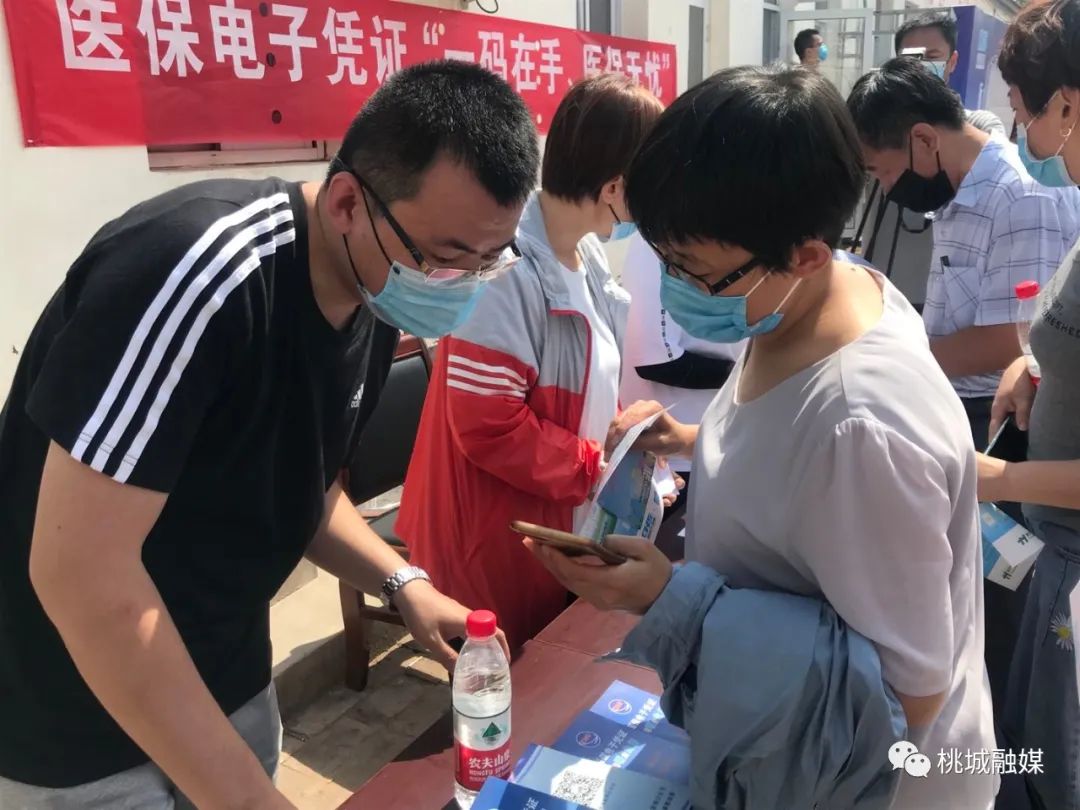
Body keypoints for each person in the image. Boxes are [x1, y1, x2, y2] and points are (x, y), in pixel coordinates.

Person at [0, 60, 538, 808]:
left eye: (490, 261)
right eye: (446, 258)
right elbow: (80, 575)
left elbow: (302, 488)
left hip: (227, 679)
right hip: (83, 723)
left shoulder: (375, 293)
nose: (465, 285)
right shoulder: (195, 271)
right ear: (349, 201)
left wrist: (401, 581)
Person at [530, 65, 996, 810]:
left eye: (698, 273)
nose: (679, 291)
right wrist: (688, 437)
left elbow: (906, 693)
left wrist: (672, 599)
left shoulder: (863, 426)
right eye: (664, 260)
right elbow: (783, 456)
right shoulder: (816, 293)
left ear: (806, 254)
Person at [849, 54, 1080, 726]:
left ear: (923, 138)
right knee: (970, 602)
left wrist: (898, 360)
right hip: (968, 412)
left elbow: (1012, 338)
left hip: (998, 428)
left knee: (1005, 611)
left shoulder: (1018, 200)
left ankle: (1003, 755)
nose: (888, 190)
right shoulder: (960, 182)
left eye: (885, 172)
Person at [396, 74, 663, 651]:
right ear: (616, 186)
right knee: (506, 681)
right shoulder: (507, 267)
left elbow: (588, 375)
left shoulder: (586, 252)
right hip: (490, 531)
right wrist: (596, 465)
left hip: (552, 513)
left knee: (548, 663)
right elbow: (487, 425)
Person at [974, 2, 1080, 807]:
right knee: (1028, 760)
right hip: (1050, 558)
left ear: (1067, 105)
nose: (1021, 134)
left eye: (1023, 108)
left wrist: (997, 482)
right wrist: (1030, 367)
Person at [618, 232, 741, 515]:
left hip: (710, 445)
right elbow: (656, 362)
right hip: (671, 457)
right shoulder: (655, 239)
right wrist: (750, 375)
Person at [894, 13, 1006, 135]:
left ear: (952, 62)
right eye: (911, 57)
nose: (920, 65)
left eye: (932, 57)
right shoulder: (881, 125)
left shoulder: (981, 125)